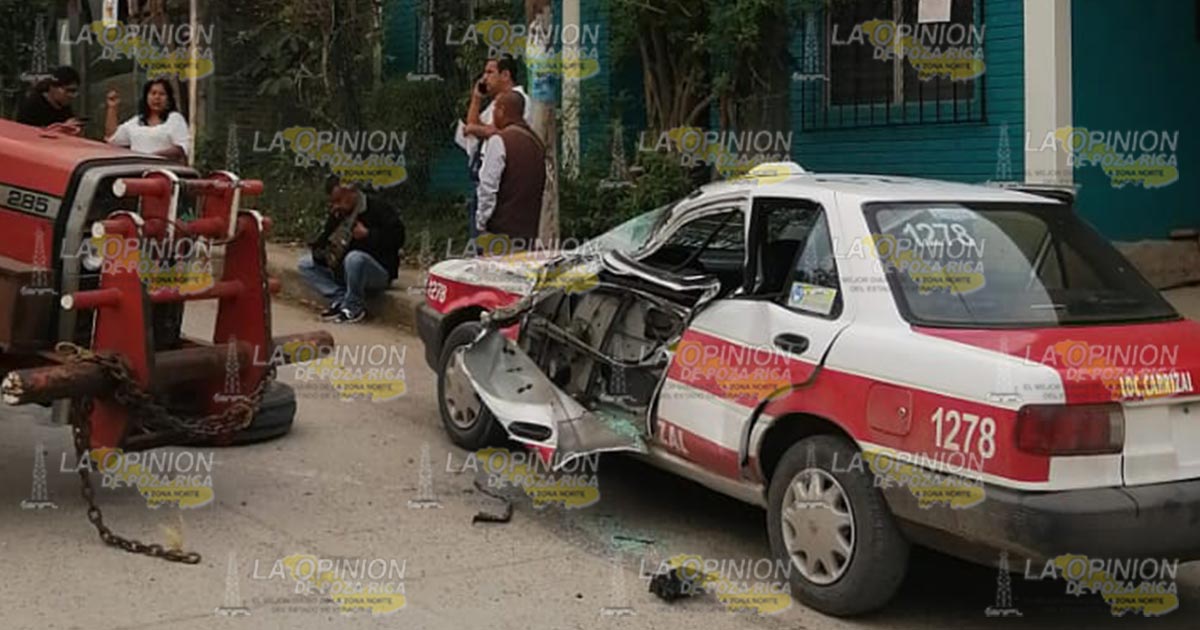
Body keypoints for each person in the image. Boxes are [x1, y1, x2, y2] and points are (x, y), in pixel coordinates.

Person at [299, 178, 405, 324]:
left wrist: (368, 234)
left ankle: (354, 307)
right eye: (333, 202)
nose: (337, 205)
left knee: (354, 258)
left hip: (377, 269)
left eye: (339, 200)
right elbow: (323, 243)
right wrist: (320, 245)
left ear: (351, 192)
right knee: (305, 264)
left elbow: (397, 239)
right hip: (344, 269)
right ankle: (340, 299)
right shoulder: (339, 214)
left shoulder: (377, 208)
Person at [454, 56, 533, 241]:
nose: (484, 78)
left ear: (505, 75)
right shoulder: (495, 104)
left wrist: (476, 129)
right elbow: (473, 127)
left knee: (490, 246)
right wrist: (476, 98)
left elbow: (502, 134)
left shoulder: (519, 101)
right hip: (480, 176)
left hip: (501, 183)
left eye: (490, 72)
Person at [475, 90, 546, 249]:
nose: (493, 115)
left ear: (501, 110)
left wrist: (481, 222)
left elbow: (487, 188)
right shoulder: (536, 143)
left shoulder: (499, 141)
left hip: (499, 234)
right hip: (528, 235)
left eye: (494, 110)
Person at [104, 79, 191, 163]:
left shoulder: (175, 119)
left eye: (162, 94)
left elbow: (181, 148)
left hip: (164, 172)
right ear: (146, 97)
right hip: (138, 171)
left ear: (168, 99)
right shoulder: (136, 121)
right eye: (153, 93)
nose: (157, 97)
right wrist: (112, 108)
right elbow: (112, 138)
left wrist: (153, 157)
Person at [16, 66, 84, 135]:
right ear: (53, 88)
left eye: (75, 91)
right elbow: (25, 136)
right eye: (69, 91)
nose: (73, 96)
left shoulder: (64, 106)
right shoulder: (32, 106)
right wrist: (61, 129)